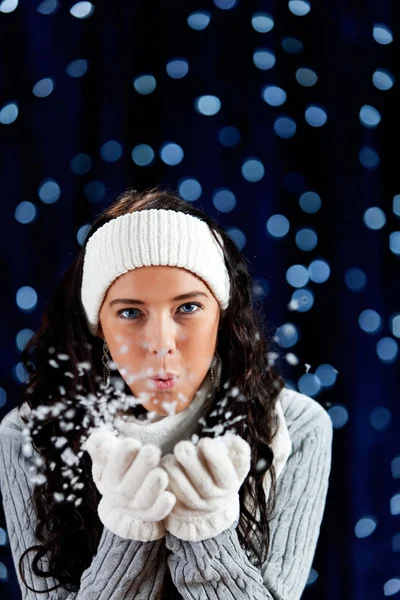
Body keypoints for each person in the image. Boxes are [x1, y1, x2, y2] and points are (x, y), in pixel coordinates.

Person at [0, 186, 333, 599]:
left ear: (221, 314)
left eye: (188, 307)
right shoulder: (31, 433)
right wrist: (128, 529)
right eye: (130, 312)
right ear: (99, 325)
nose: (160, 342)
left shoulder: (296, 427)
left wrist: (206, 528)